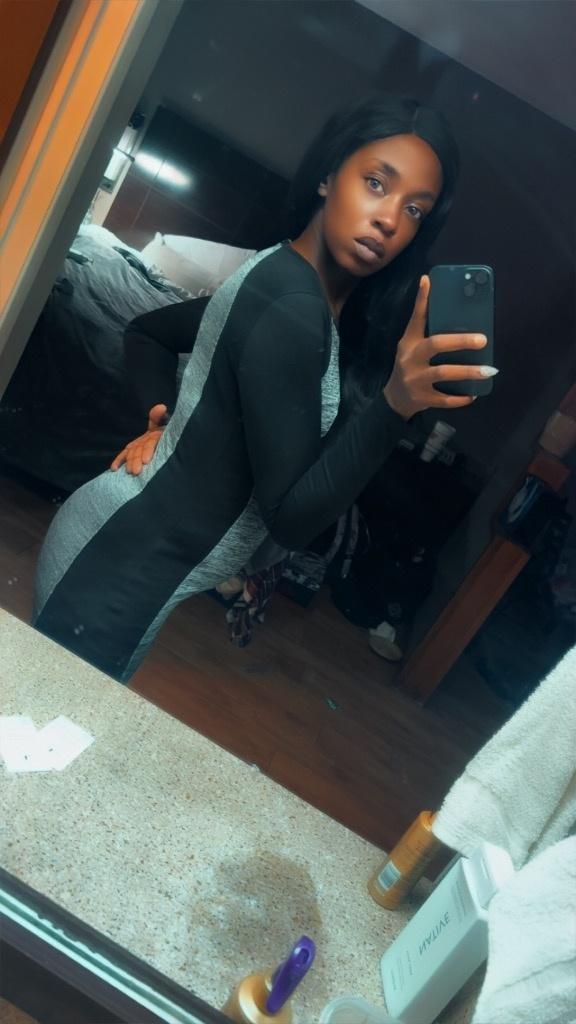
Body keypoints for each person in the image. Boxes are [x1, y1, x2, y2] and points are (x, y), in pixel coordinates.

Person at [33, 94, 493, 681]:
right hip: (117, 569)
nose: (389, 220)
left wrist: (164, 417)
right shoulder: (293, 308)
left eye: (415, 210)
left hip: (122, 551)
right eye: (376, 183)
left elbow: (149, 333)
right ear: (328, 176)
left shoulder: (284, 278)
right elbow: (290, 519)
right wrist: (394, 406)